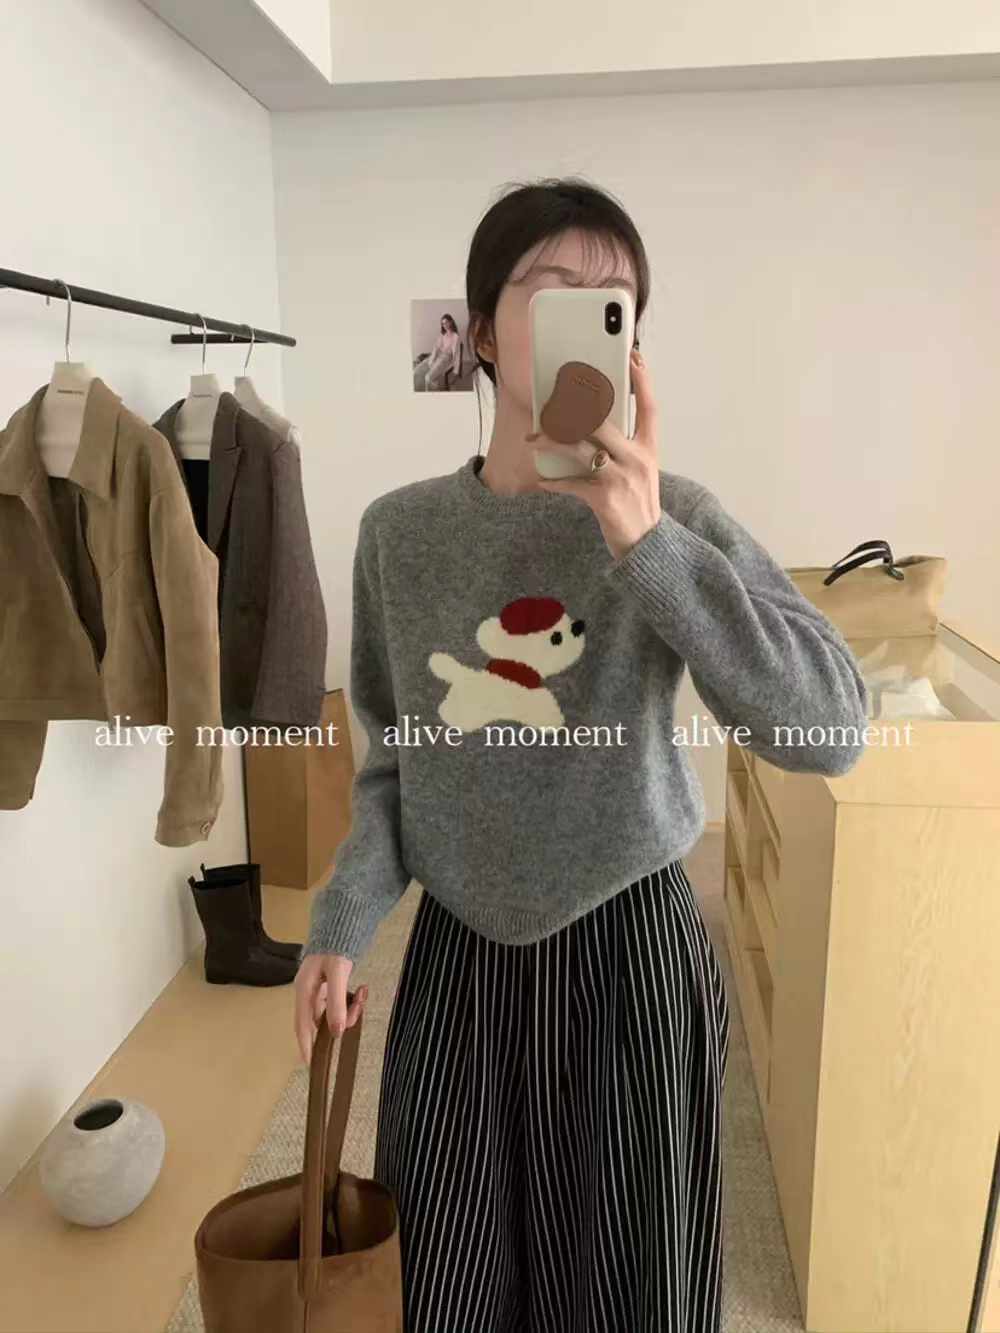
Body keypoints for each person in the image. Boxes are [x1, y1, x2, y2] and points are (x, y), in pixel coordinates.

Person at [294, 177, 870, 1333]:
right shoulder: (399, 533)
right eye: (555, 291)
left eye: (615, 304)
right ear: (481, 332)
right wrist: (342, 921)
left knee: (627, 1295)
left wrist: (647, 543)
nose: (588, 320)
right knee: (444, 1288)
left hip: (631, 960)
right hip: (457, 966)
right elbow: (393, 764)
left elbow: (830, 726)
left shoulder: (673, 515)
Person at [414, 313, 462, 391]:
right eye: (443, 323)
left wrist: (456, 371)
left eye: (446, 322)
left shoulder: (456, 337)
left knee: (428, 378)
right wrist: (431, 359)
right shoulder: (443, 335)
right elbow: (436, 347)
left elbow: (457, 355)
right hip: (436, 356)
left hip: (445, 359)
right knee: (417, 371)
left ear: (451, 322)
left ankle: (436, 392)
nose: (445, 325)